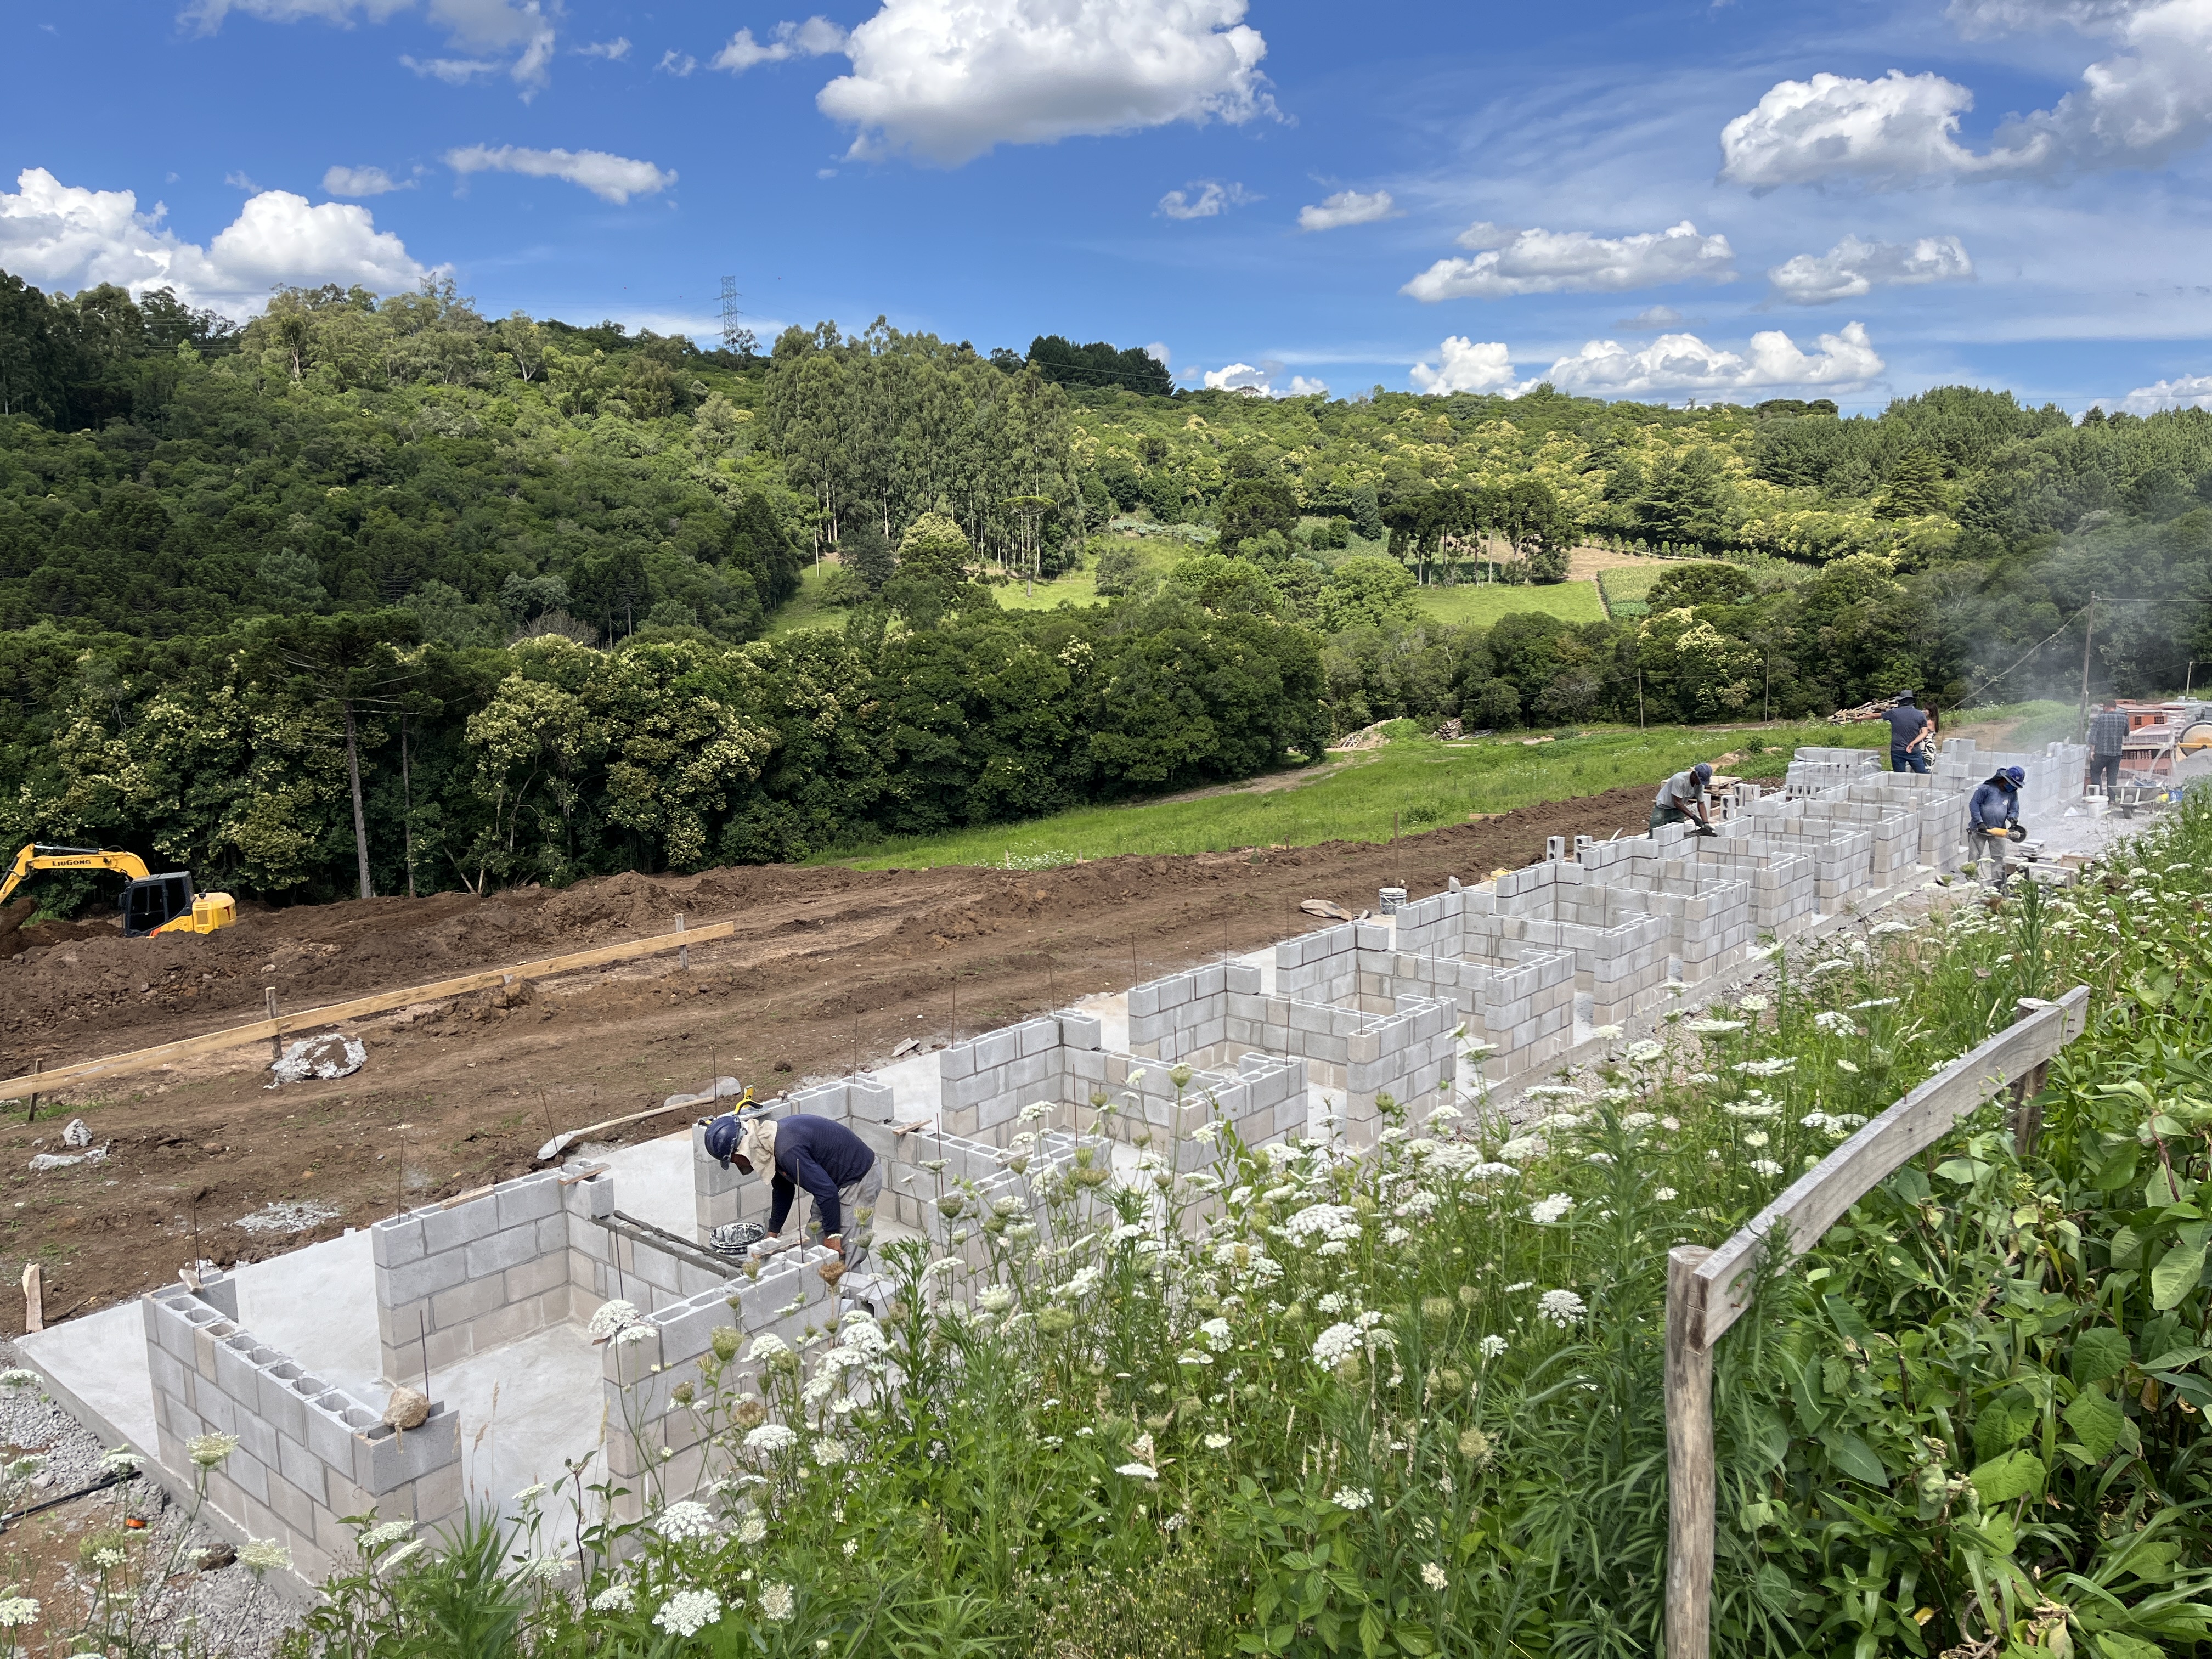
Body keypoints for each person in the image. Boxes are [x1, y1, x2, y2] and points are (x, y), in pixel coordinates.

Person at [703, 1111, 881, 1276]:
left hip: (858, 1178)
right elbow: (783, 1190)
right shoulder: (768, 1145)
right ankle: (822, 1298)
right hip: (830, 1184)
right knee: (815, 1249)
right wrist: (772, 1234)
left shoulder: (787, 1150)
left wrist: (833, 1236)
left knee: (845, 1256)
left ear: (740, 1150)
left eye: (734, 1161)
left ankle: (852, 1304)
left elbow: (827, 1194)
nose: (738, 1165)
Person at [1968, 765, 2025, 889]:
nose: (2013, 787)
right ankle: (1972, 882)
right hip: (1979, 830)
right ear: (2004, 780)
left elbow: (2014, 809)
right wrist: (1979, 822)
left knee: (1998, 857)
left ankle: (1997, 882)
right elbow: (1974, 805)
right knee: (1975, 856)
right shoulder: (1986, 789)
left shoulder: (2012, 794)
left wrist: (2013, 818)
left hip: (1999, 830)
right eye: (2012, 784)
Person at [1650, 761, 1716, 833]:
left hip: (1678, 810)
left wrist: (1706, 822)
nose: (1700, 783)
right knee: (1655, 833)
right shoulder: (1679, 780)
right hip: (1663, 808)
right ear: (1694, 775)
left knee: (1679, 834)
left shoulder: (1699, 784)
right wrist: (1694, 817)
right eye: (1700, 780)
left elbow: (1701, 803)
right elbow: (1677, 802)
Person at [2087, 698, 2130, 795]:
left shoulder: (2100, 718)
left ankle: (2098, 797)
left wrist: (2092, 751)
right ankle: (2112, 800)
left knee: (2095, 774)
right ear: (2115, 708)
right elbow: (2126, 733)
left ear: (2106, 708)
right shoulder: (2124, 718)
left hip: (2101, 753)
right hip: (2116, 754)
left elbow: (2093, 735)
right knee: (2112, 777)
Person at [1884, 691, 1931, 774]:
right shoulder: (1920, 715)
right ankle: (1927, 787)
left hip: (1897, 751)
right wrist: (1912, 743)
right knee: (1923, 775)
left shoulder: (1893, 713)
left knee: (1900, 777)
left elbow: (1875, 716)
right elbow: (1924, 733)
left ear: (1900, 701)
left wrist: (1861, 717)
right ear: (1912, 702)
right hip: (1914, 750)